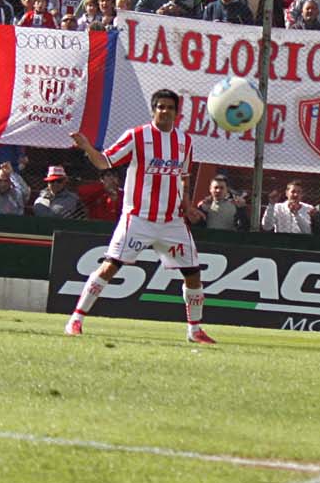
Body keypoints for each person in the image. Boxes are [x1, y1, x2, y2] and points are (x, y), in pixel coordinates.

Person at [67, 89, 215, 344]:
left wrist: (188, 205)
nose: (165, 111)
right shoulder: (137, 136)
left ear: (177, 113)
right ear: (153, 109)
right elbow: (104, 162)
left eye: (170, 107)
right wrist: (88, 147)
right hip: (138, 218)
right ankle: (76, 319)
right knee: (110, 266)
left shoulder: (185, 141)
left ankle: (195, 330)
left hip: (172, 221)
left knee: (193, 273)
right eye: (160, 106)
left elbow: (183, 178)